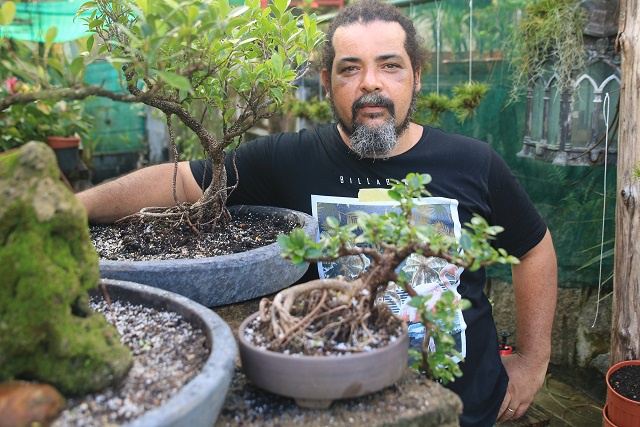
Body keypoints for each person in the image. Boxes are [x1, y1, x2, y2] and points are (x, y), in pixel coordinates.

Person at [78, 0, 557, 425]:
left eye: (390, 66)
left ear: (417, 77)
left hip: (467, 406)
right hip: (338, 406)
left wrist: (533, 360)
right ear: (327, 82)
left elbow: (533, 247)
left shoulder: (472, 162)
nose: (371, 83)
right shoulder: (288, 160)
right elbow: (181, 180)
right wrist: (74, 207)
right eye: (351, 69)